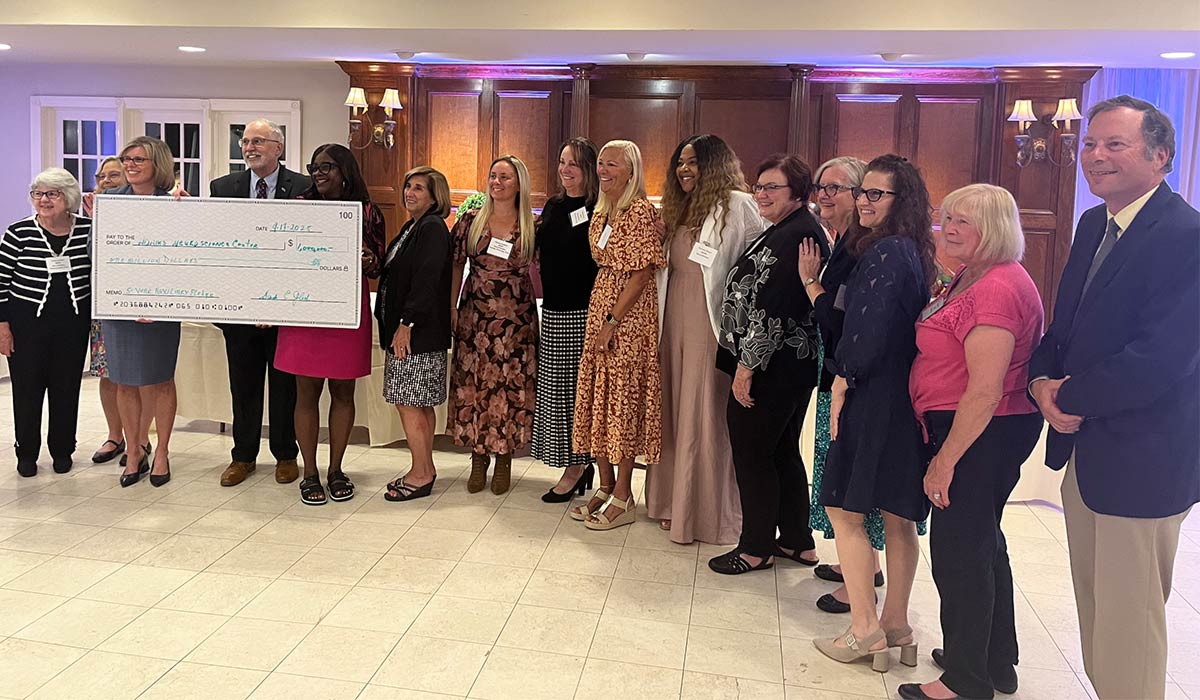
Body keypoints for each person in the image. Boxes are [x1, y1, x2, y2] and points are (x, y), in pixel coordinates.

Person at [1028, 95, 1199, 700]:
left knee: (1132, 619)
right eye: (1090, 144)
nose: (1095, 156)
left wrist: (1068, 397)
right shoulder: (1094, 222)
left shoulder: (1186, 235)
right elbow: (1065, 323)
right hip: (1088, 450)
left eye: (1114, 145)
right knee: (1097, 606)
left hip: (1145, 458)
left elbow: (1163, 359)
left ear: (1161, 157)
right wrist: (1040, 381)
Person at [896, 184, 1044, 700]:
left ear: (996, 229)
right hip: (974, 428)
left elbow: (983, 391)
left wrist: (944, 462)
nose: (950, 228)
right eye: (948, 218)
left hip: (982, 432)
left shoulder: (997, 288)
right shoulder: (973, 274)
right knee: (982, 543)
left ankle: (965, 681)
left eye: (966, 222)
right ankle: (991, 660)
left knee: (959, 550)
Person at [814, 154, 936, 673]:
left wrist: (843, 379)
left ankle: (865, 629)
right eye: (861, 192)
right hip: (901, 395)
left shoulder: (884, 253)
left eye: (875, 194)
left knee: (845, 511)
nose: (863, 202)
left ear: (899, 200)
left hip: (873, 393)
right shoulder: (912, 251)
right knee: (897, 514)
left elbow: (866, 333)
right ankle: (896, 625)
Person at [707, 153, 826, 573]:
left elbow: (774, 309)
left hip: (771, 368)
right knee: (779, 452)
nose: (761, 194)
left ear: (798, 192)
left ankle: (754, 548)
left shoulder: (799, 235)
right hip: (781, 366)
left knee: (753, 453)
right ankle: (796, 541)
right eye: (758, 186)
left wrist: (746, 369)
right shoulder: (785, 228)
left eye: (771, 187)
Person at [647, 134, 762, 545]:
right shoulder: (681, 207)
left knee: (704, 413)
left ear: (714, 165)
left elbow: (756, 270)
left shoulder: (738, 204)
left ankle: (707, 512)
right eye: (680, 163)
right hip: (673, 319)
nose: (684, 170)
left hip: (711, 325)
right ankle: (673, 502)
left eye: (693, 163)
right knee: (676, 411)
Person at [800, 156, 892, 612]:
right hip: (835, 369)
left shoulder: (861, 248)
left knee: (848, 481)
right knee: (834, 469)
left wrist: (810, 286)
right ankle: (857, 563)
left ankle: (861, 577)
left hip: (850, 378)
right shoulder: (842, 241)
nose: (825, 194)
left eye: (838, 187)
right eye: (821, 186)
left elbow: (841, 317)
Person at [274, 143, 385, 505]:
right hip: (305, 312)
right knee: (305, 394)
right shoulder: (299, 207)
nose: (319, 174)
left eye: (327, 167)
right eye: (314, 167)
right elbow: (280, 259)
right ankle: (309, 472)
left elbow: (379, 268)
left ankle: (336, 469)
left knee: (342, 393)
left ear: (345, 171)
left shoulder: (367, 212)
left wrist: (368, 260)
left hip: (345, 312)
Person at [209, 118, 309, 488]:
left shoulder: (303, 187)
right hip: (238, 310)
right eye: (246, 142)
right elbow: (218, 245)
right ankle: (243, 456)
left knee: (285, 386)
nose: (249, 147)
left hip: (285, 310)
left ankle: (285, 455)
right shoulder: (222, 188)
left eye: (259, 142)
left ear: (278, 148)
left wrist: (277, 303)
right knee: (244, 385)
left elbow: (302, 251)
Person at [571, 139, 665, 531]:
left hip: (627, 317)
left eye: (612, 165)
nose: (603, 170)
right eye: (601, 164)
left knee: (622, 401)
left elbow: (642, 273)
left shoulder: (639, 211)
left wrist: (611, 321)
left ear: (631, 171)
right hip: (602, 307)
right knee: (600, 396)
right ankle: (605, 483)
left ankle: (624, 494)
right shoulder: (602, 211)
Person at [448, 155, 538, 496]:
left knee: (509, 387)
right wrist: (452, 306)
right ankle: (478, 456)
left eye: (505, 177)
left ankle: (504, 459)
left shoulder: (530, 223)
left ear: (519, 184)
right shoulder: (471, 219)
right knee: (475, 385)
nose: (497, 182)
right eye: (493, 176)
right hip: (476, 314)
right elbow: (456, 265)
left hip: (516, 320)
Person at [0, 169, 92, 476]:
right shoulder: (19, 232)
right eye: (38, 194)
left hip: (72, 325)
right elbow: (1, 281)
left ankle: (62, 449)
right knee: (27, 390)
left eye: (52, 193)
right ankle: (26, 453)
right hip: (26, 326)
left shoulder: (88, 230)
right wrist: (2, 326)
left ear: (68, 198)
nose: (43, 200)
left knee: (66, 389)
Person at [104, 136, 183, 488]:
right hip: (119, 308)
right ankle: (134, 451)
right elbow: (98, 254)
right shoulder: (108, 204)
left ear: (158, 165)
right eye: (126, 158)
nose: (130, 164)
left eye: (139, 159)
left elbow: (185, 256)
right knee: (124, 381)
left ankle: (162, 450)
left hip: (162, 309)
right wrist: (126, 298)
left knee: (161, 379)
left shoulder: (175, 206)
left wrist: (157, 300)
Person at [379, 166, 453, 502]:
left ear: (435, 195)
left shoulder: (433, 228)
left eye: (419, 188)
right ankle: (424, 467)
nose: (410, 193)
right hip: (415, 331)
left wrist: (405, 323)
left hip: (416, 333)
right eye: (408, 186)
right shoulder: (414, 226)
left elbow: (426, 280)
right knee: (416, 403)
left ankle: (421, 473)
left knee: (409, 403)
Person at [533, 137, 601, 502]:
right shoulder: (555, 205)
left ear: (588, 168)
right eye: (562, 162)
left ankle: (577, 465)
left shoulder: (598, 207)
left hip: (584, 312)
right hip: (555, 311)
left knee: (577, 393)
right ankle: (576, 462)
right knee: (558, 393)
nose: (565, 169)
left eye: (573, 163)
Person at [84, 156, 132, 466]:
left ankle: (138, 439)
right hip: (104, 305)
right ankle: (115, 435)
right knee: (107, 373)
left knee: (137, 378)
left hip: (138, 304)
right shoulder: (91, 215)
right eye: (102, 176)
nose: (106, 181)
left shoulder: (144, 209)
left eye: (114, 175)